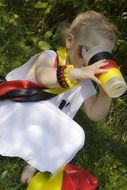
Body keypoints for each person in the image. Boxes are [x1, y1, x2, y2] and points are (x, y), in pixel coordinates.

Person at [0, 11, 117, 185]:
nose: (91, 62)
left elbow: (95, 114)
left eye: (101, 57)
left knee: (78, 136)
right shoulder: (51, 57)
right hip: (18, 108)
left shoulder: (84, 83)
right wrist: (77, 72)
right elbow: (43, 76)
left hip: (42, 128)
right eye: (88, 52)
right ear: (70, 41)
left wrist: (106, 91)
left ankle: (34, 163)